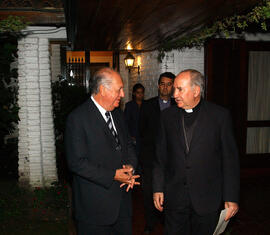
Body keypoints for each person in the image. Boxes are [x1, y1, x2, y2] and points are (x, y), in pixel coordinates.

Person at [153, 69, 240, 235]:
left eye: (180, 89)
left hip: (207, 198)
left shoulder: (219, 116)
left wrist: (231, 197)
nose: (174, 94)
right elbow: (160, 157)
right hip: (175, 197)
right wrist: (158, 188)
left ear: (196, 91)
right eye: (174, 89)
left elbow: (230, 161)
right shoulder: (167, 117)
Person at [65, 67, 139, 235]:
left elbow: (128, 145)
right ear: (103, 90)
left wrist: (130, 168)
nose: (122, 94)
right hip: (94, 210)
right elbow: (76, 163)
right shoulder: (77, 118)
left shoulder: (118, 114)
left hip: (123, 206)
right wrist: (113, 174)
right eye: (119, 89)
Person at [139, 72, 176, 234]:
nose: (165, 87)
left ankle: (166, 221)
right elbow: (141, 132)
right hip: (150, 160)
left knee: (170, 193)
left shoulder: (178, 105)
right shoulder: (147, 105)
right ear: (158, 85)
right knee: (148, 194)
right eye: (162, 83)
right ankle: (150, 223)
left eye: (169, 84)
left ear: (173, 86)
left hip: (172, 161)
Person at [124, 83, 145, 156]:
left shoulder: (147, 105)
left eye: (142, 92)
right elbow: (126, 122)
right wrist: (130, 136)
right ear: (134, 93)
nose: (140, 95)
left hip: (144, 137)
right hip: (133, 137)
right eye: (138, 93)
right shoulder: (129, 105)